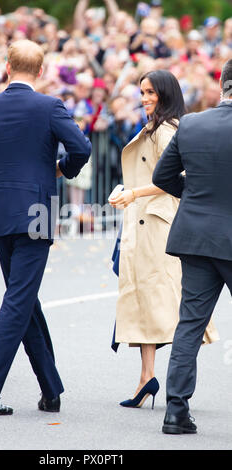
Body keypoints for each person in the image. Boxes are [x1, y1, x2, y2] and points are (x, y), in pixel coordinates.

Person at [0, 39, 91, 415]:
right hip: (37, 211)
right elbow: (82, 148)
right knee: (19, 300)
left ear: (8, 67)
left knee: (24, 299)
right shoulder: (49, 106)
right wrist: (60, 169)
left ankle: (50, 389)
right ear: (40, 71)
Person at [109, 69, 218, 410]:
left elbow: (178, 177)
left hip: (157, 224)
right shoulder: (157, 127)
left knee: (162, 298)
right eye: (142, 92)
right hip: (145, 221)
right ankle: (147, 377)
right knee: (148, 298)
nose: (144, 98)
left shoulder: (167, 130)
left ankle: (163, 378)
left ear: (166, 94)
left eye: (151, 92)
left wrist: (133, 193)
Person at [152, 58, 232, 435]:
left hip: (196, 235)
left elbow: (162, 176)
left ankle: (175, 410)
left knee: (189, 325)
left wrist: (196, 198)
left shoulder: (193, 123)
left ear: (221, 85)